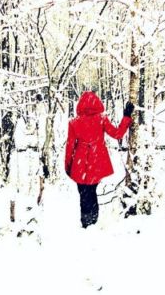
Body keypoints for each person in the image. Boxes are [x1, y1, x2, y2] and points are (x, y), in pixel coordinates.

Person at [65, 91, 134, 228]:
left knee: (83, 194)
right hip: (96, 163)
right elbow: (117, 134)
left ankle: (86, 221)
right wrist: (126, 116)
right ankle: (93, 221)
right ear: (97, 103)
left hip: (80, 165)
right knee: (92, 191)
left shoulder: (74, 123)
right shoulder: (101, 119)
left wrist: (68, 167)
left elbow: (70, 147)